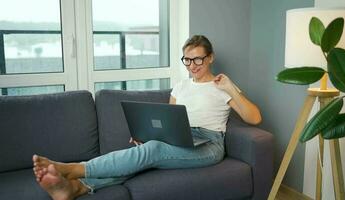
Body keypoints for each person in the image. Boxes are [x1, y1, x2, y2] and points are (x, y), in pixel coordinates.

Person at [33, 35, 262, 200]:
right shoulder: (181, 86)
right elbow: (170, 119)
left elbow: (254, 118)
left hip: (209, 144)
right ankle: (77, 189)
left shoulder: (222, 86)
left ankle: (75, 169)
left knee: (152, 151)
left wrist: (231, 88)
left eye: (198, 59)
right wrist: (149, 133)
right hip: (181, 137)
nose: (192, 66)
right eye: (187, 60)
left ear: (210, 58)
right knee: (143, 155)